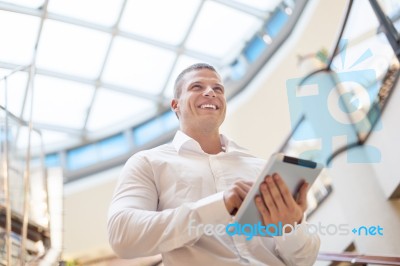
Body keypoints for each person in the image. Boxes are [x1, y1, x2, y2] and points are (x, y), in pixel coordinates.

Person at [107, 63, 320, 265]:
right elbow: (122, 234)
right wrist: (220, 205)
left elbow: (304, 261)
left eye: (218, 88)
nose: (211, 92)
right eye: (196, 86)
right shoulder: (148, 163)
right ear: (176, 105)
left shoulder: (261, 168)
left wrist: (291, 226)